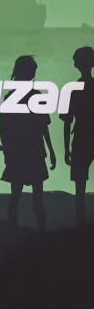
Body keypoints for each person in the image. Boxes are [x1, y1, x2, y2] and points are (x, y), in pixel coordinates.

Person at [0, 55, 55, 231]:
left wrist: (7, 151)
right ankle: (41, 233)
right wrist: (51, 151)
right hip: (31, 151)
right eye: (32, 70)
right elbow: (43, 127)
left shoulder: (12, 97)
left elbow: (3, 128)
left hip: (21, 152)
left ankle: (16, 231)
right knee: (34, 196)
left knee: (17, 195)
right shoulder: (34, 96)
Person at [63, 45, 94, 227]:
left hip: (81, 138)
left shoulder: (73, 90)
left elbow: (67, 121)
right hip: (84, 137)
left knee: (79, 187)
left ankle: (81, 225)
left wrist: (66, 148)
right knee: (80, 185)